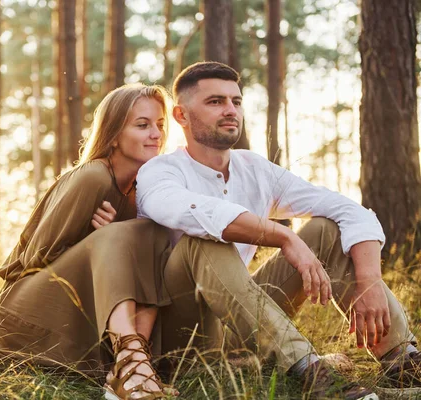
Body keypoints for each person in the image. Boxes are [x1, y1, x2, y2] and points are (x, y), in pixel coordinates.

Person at [136, 61, 421, 399]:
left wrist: (370, 281)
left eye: (236, 101)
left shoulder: (253, 168)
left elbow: (348, 210)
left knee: (327, 229)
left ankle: (402, 362)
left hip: (242, 323)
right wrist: (284, 236)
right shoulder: (160, 171)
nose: (230, 111)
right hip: (180, 338)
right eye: (215, 102)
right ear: (181, 116)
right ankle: (314, 374)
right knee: (204, 241)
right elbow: (191, 212)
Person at [0, 83, 177, 400]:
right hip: (24, 317)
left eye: (159, 124)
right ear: (114, 134)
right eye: (142, 125)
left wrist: (113, 237)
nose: (156, 134)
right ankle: (131, 362)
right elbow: (36, 256)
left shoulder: (142, 191)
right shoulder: (94, 176)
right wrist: (102, 240)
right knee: (130, 235)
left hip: (77, 316)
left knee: (151, 235)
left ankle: (128, 368)